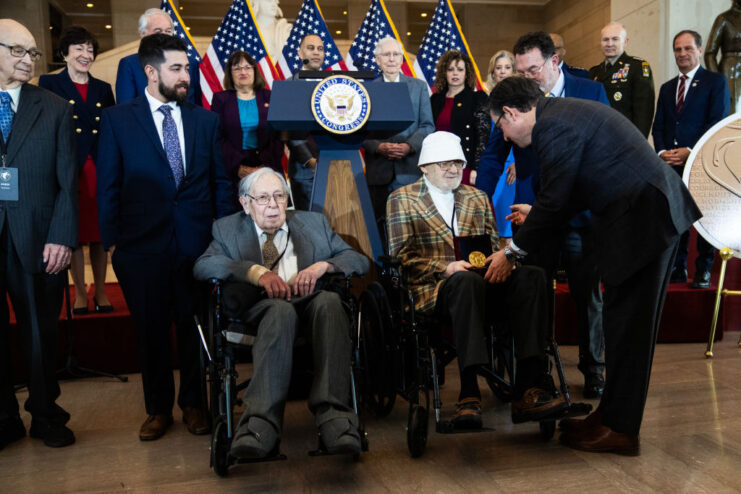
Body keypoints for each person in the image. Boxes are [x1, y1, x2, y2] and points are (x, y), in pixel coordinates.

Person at [487, 76, 701, 454]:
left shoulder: (552, 126)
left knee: (630, 332)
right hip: (643, 218)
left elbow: (556, 201)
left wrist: (512, 253)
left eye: (500, 125)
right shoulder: (562, 115)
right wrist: (540, 212)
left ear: (510, 112)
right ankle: (610, 417)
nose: (503, 135)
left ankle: (621, 430)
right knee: (622, 328)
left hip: (644, 221)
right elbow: (569, 191)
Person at [97, 33, 233, 442]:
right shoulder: (119, 119)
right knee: (150, 330)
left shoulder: (204, 120)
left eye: (187, 68)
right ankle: (157, 409)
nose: (185, 76)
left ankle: (194, 404)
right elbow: (109, 185)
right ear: (151, 72)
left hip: (197, 245)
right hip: (140, 248)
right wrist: (112, 243)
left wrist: (224, 238)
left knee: (194, 328)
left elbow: (220, 184)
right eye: (177, 68)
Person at [387, 131, 567, 429]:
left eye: (457, 163)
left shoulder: (476, 197)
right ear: (424, 167)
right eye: (443, 163)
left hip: (484, 284)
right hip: (435, 289)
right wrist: (445, 268)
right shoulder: (402, 200)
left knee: (532, 276)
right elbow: (401, 257)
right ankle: (469, 392)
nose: (452, 170)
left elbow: (492, 246)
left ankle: (529, 386)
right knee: (464, 281)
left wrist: (505, 256)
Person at [193, 168, 369, 458]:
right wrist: (253, 272)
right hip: (260, 308)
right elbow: (204, 266)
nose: (273, 205)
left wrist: (322, 266)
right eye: (262, 198)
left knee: (330, 303)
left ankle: (335, 418)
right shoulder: (227, 229)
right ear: (245, 203)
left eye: (279, 195)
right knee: (280, 312)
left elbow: (357, 260)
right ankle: (260, 425)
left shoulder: (313, 223)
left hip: (309, 302)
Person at [481, 32, 610, 399]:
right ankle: (538, 373)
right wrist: (476, 201)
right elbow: (493, 155)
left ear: (555, 62)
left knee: (589, 294)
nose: (526, 77)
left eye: (533, 69)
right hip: (532, 215)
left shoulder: (590, 92)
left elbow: (597, 156)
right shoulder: (515, 99)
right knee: (534, 289)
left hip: (581, 214)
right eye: (520, 70)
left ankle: (595, 368)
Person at [0, 18, 77, 449]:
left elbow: (68, 181)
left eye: (32, 53)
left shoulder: (53, 107)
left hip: (38, 237)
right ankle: (3, 417)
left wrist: (63, 237)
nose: (28, 60)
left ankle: (46, 414)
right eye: (17, 51)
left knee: (39, 333)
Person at [38, 26, 115, 315]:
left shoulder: (103, 88)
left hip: (98, 168)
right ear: (65, 53)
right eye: (79, 49)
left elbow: (110, 131)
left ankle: (102, 290)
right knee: (73, 233)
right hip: (67, 168)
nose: (86, 55)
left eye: (90, 49)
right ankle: (80, 292)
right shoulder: (48, 83)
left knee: (98, 235)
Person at [652, 30, 730, 289]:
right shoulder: (666, 88)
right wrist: (663, 152)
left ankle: (703, 271)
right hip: (671, 164)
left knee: (703, 217)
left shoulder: (715, 82)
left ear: (699, 51)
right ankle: (678, 267)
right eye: (677, 49)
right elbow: (659, 126)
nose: (682, 54)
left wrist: (690, 150)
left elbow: (717, 123)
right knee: (676, 218)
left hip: (703, 163)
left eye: (688, 49)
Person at [363, 36, 434, 223]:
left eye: (396, 54)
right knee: (379, 225)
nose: (392, 59)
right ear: (378, 60)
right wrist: (378, 147)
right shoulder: (366, 89)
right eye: (386, 54)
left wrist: (409, 146)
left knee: (410, 223)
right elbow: (360, 129)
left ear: (402, 59)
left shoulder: (418, 87)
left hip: (410, 170)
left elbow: (427, 125)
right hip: (379, 172)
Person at [210, 50, 283, 201]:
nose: (243, 71)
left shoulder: (270, 96)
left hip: (268, 166)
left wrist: (265, 167)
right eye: (237, 68)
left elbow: (278, 135)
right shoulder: (221, 99)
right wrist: (238, 167)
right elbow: (218, 137)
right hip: (233, 168)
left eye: (248, 67)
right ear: (230, 73)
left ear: (255, 71)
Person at [115, 8, 201, 105]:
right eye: (158, 31)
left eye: (168, 31)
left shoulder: (191, 63)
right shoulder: (129, 64)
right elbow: (125, 109)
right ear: (143, 34)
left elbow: (196, 105)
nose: (165, 36)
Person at [429, 50, 489, 185]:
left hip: (464, 166)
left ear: (466, 73)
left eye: (460, 69)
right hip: (437, 165)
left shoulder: (477, 98)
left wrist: (476, 168)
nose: (455, 73)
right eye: (451, 69)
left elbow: (482, 137)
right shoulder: (435, 99)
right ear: (444, 73)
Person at [589, 22, 655, 137]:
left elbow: (643, 111)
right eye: (605, 40)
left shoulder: (637, 67)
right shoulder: (594, 72)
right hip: (598, 138)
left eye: (615, 39)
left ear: (625, 41)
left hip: (625, 138)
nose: (609, 44)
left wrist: (637, 142)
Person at [285, 33, 325, 210]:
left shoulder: (337, 84)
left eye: (320, 49)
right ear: (300, 54)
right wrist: (309, 160)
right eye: (311, 48)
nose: (316, 53)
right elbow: (288, 129)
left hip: (335, 165)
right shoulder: (288, 86)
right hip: (304, 171)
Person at [706, 0, 741, 113]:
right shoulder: (723, 19)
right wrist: (718, 81)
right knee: (732, 109)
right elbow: (710, 53)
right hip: (731, 68)